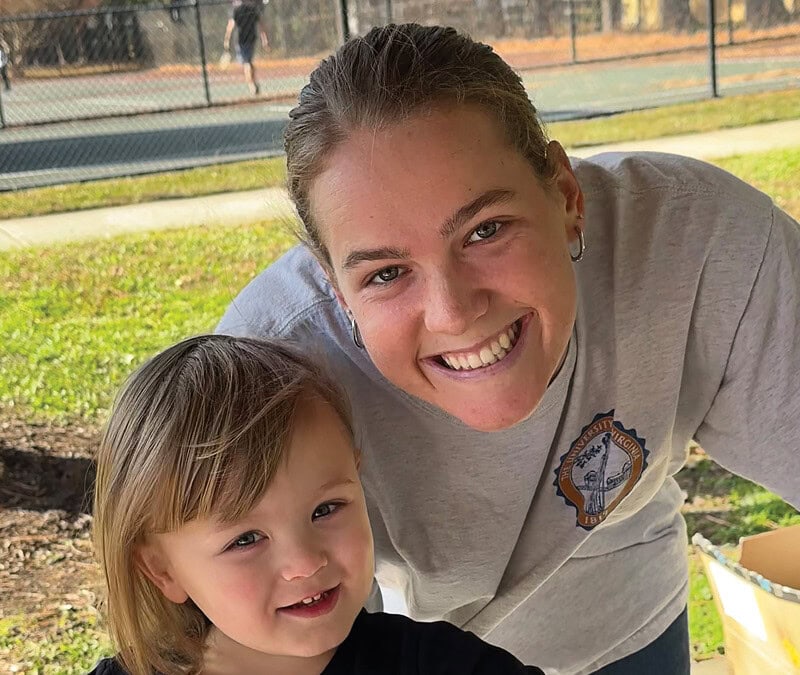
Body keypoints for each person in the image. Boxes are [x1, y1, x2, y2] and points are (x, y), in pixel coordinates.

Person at [216, 22, 800, 675]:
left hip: (628, 628)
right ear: (334, 286)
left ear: (565, 194)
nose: (454, 311)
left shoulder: (698, 244)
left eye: (485, 229)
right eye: (385, 273)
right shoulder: (264, 375)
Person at [89, 334, 546, 675]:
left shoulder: (440, 666)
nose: (305, 563)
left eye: (326, 509)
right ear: (162, 570)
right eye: (246, 539)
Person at [223, 0, 269, 95]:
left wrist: (226, 41)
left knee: (246, 63)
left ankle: (251, 86)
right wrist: (265, 40)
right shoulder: (252, 9)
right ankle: (254, 80)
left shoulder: (237, 9)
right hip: (251, 39)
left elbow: (230, 26)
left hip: (241, 40)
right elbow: (261, 24)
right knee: (249, 62)